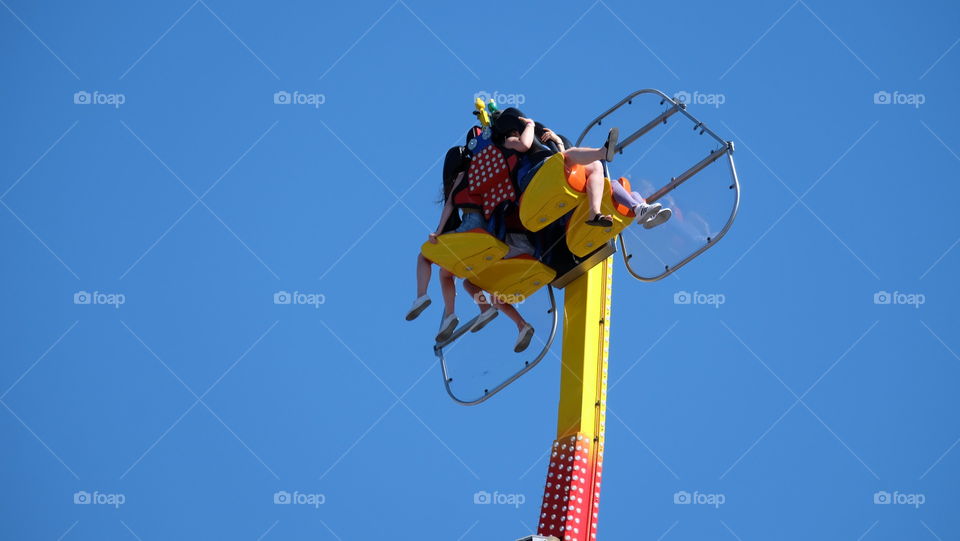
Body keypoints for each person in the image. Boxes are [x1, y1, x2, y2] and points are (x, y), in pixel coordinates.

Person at [406, 145, 491, 343]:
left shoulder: (463, 175)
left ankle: (422, 296)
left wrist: (439, 231)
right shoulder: (486, 169)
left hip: (471, 226)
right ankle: (481, 309)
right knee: (447, 274)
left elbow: (450, 205)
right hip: (487, 231)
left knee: (424, 256)